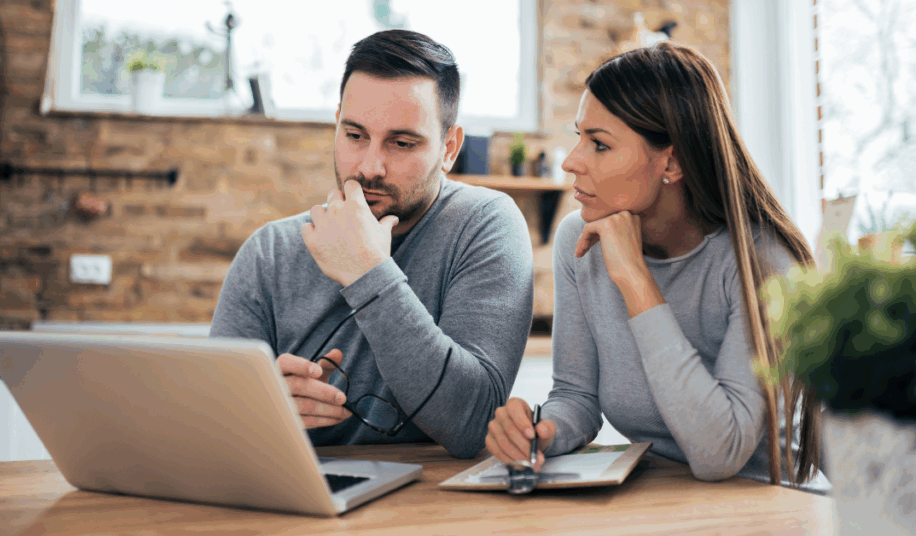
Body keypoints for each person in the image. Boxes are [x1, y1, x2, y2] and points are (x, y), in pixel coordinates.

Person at [485, 41, 830, 491]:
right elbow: (576, 397)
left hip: (767, 501)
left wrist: (635, 280)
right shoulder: (579, 240)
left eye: (599, 144)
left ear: (672, 161)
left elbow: (719, 454)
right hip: (661, 496)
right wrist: (541, 432)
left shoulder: (762, 262)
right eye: (579, 137)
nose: (571, 161)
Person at [210, 29, 534, 458]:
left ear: (449, 148)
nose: (369, 167)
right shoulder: (270, 252)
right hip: (302, 487)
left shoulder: (484, 225)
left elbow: (471, 424)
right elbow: (212, 426)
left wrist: (367, 270)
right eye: (355, 135)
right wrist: (257, 412)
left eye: (401, 143)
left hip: (434, 494)